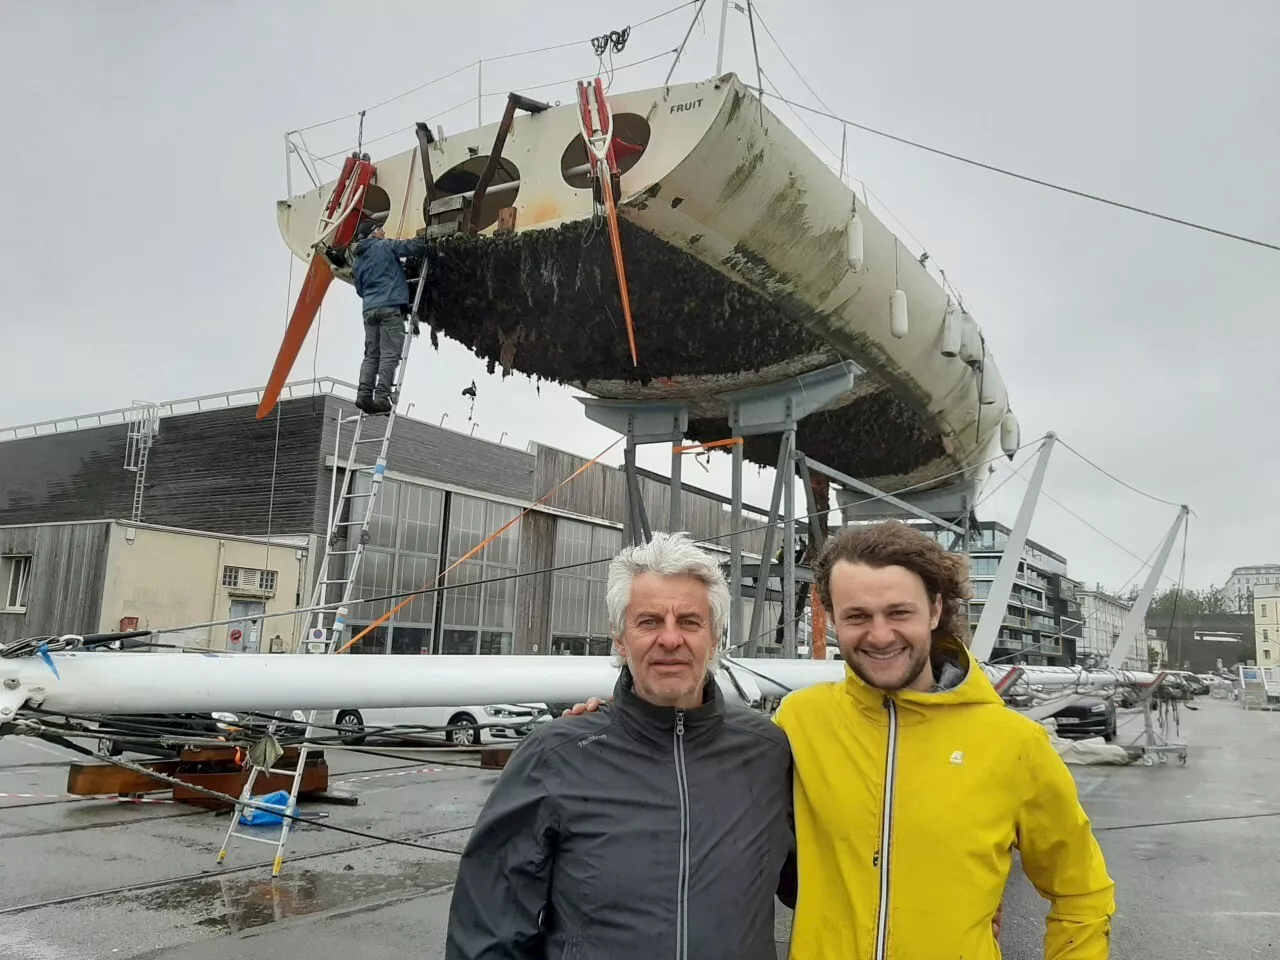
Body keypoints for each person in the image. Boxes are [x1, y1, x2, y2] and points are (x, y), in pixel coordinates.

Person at [567, 522, 1113, 958]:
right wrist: (623, 728)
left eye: (898, 612)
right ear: (832, 618)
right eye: (857, 616)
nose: (879, 634)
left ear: (936, 610)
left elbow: (1081, 892)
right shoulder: (798, 722)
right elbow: (704, 765)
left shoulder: (1013, 744)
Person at [444, 531, 796, 960]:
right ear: (619, 638)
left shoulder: (768, 752)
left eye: (689, 621)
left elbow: (824, 884)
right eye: (649, 621)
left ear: (716, 638)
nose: (670, 639)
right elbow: (488, 933)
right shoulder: (554, 757)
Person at [350, 218, 426, 415]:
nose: (384, 231)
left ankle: (363, 394)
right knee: (389, 353)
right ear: (374, 233)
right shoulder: (385, 246)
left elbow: (359, 289)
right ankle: (382, 397)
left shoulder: (358, 261)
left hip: (368, 310)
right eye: (380, 229)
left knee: (371, 354)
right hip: (390, 307)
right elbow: (409, 247)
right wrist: (425, 236)